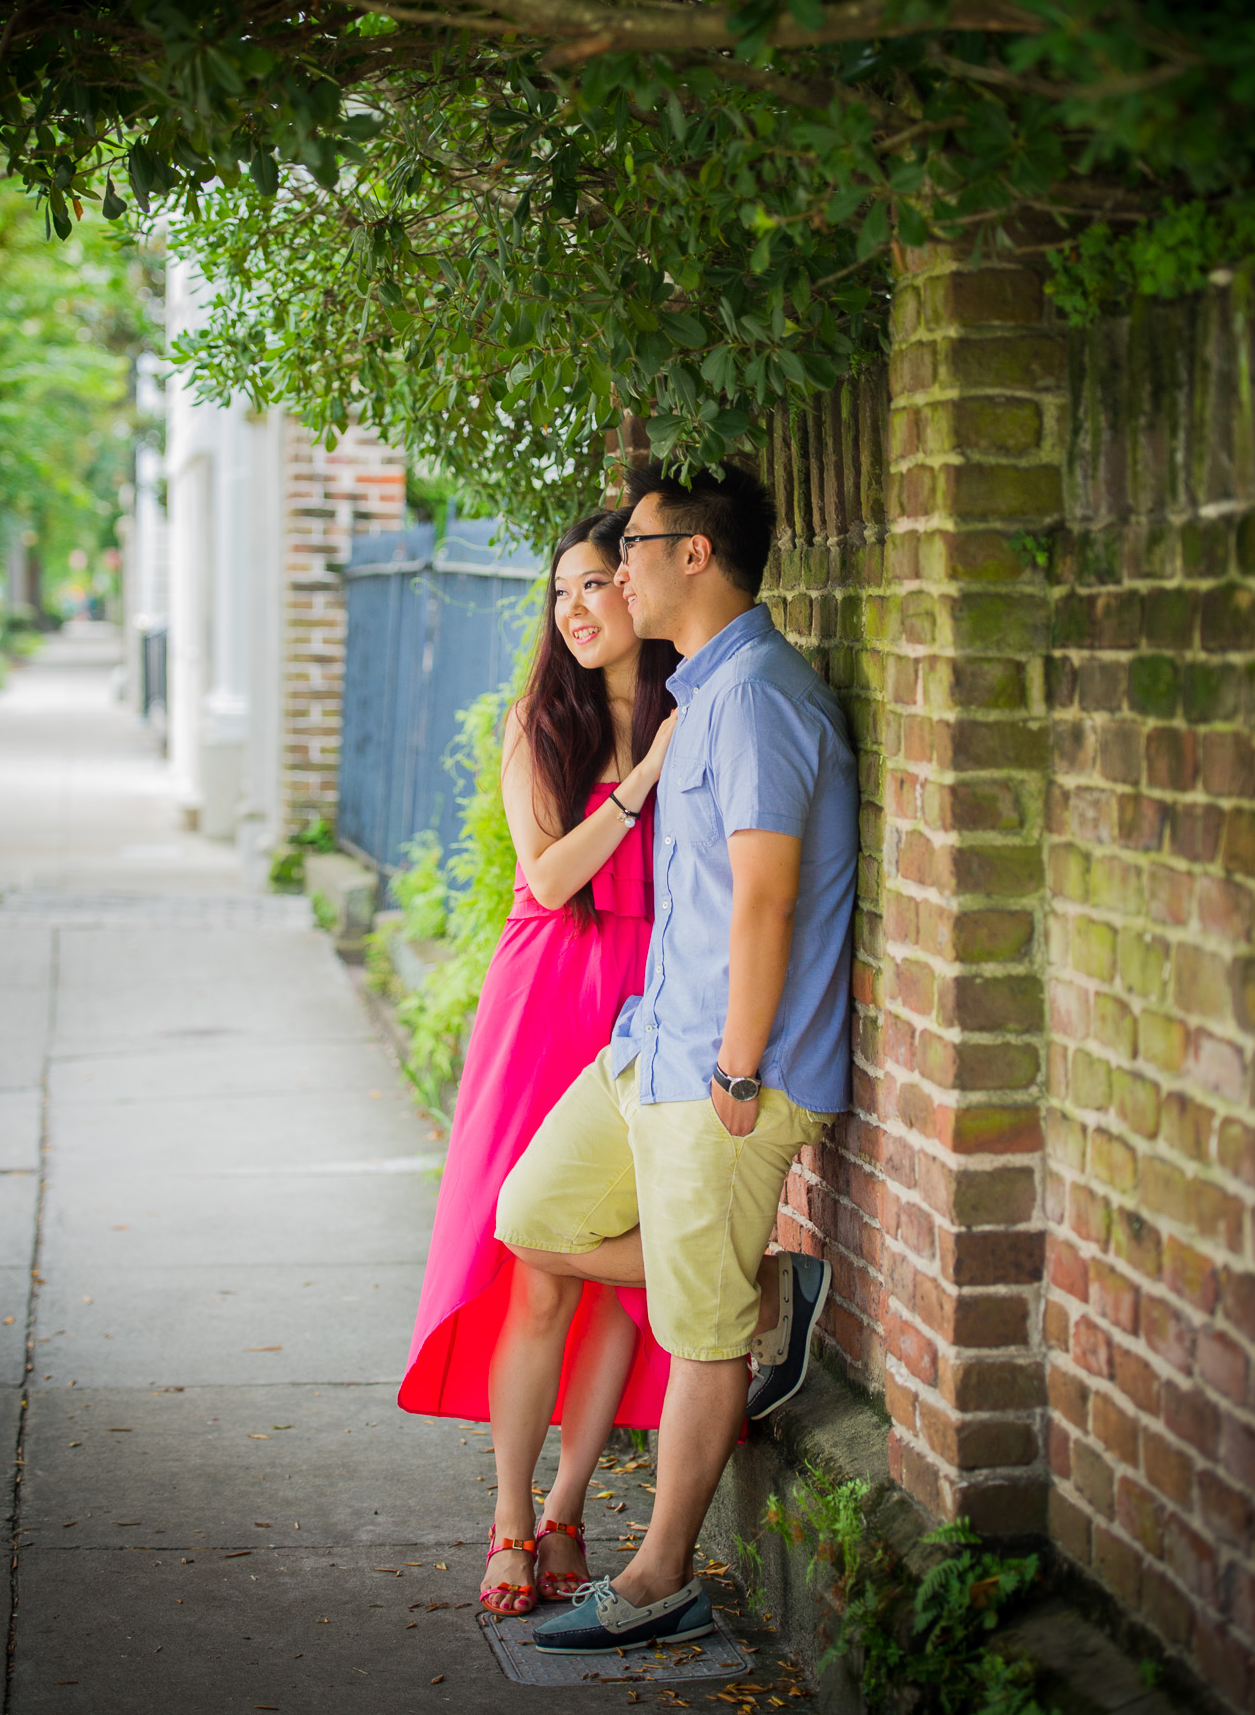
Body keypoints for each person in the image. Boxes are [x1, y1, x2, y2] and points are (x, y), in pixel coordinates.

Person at [494, 462, 859, 1654]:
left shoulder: (756, 697)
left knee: (695, 1338)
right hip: (648, 1047)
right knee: (530, 1211)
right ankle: (758, 1287)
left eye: (634, 546)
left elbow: (762, 900)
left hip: (723, 1074)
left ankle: (658, 1577)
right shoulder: (698, 693)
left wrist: (739, 1072)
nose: (617, 565)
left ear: (692, 555)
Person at [398, 510, 680, 1618]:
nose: (572, 607)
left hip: (647, 994)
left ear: (644, 588)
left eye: (596, 582)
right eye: (558, 589)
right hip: (548, 993)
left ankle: (568, 1509)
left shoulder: (687, 703)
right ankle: (509, 1512)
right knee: (536, 1260)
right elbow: (552, 877)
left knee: (610, 1269)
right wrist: (640, 778)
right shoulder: (539, 722)